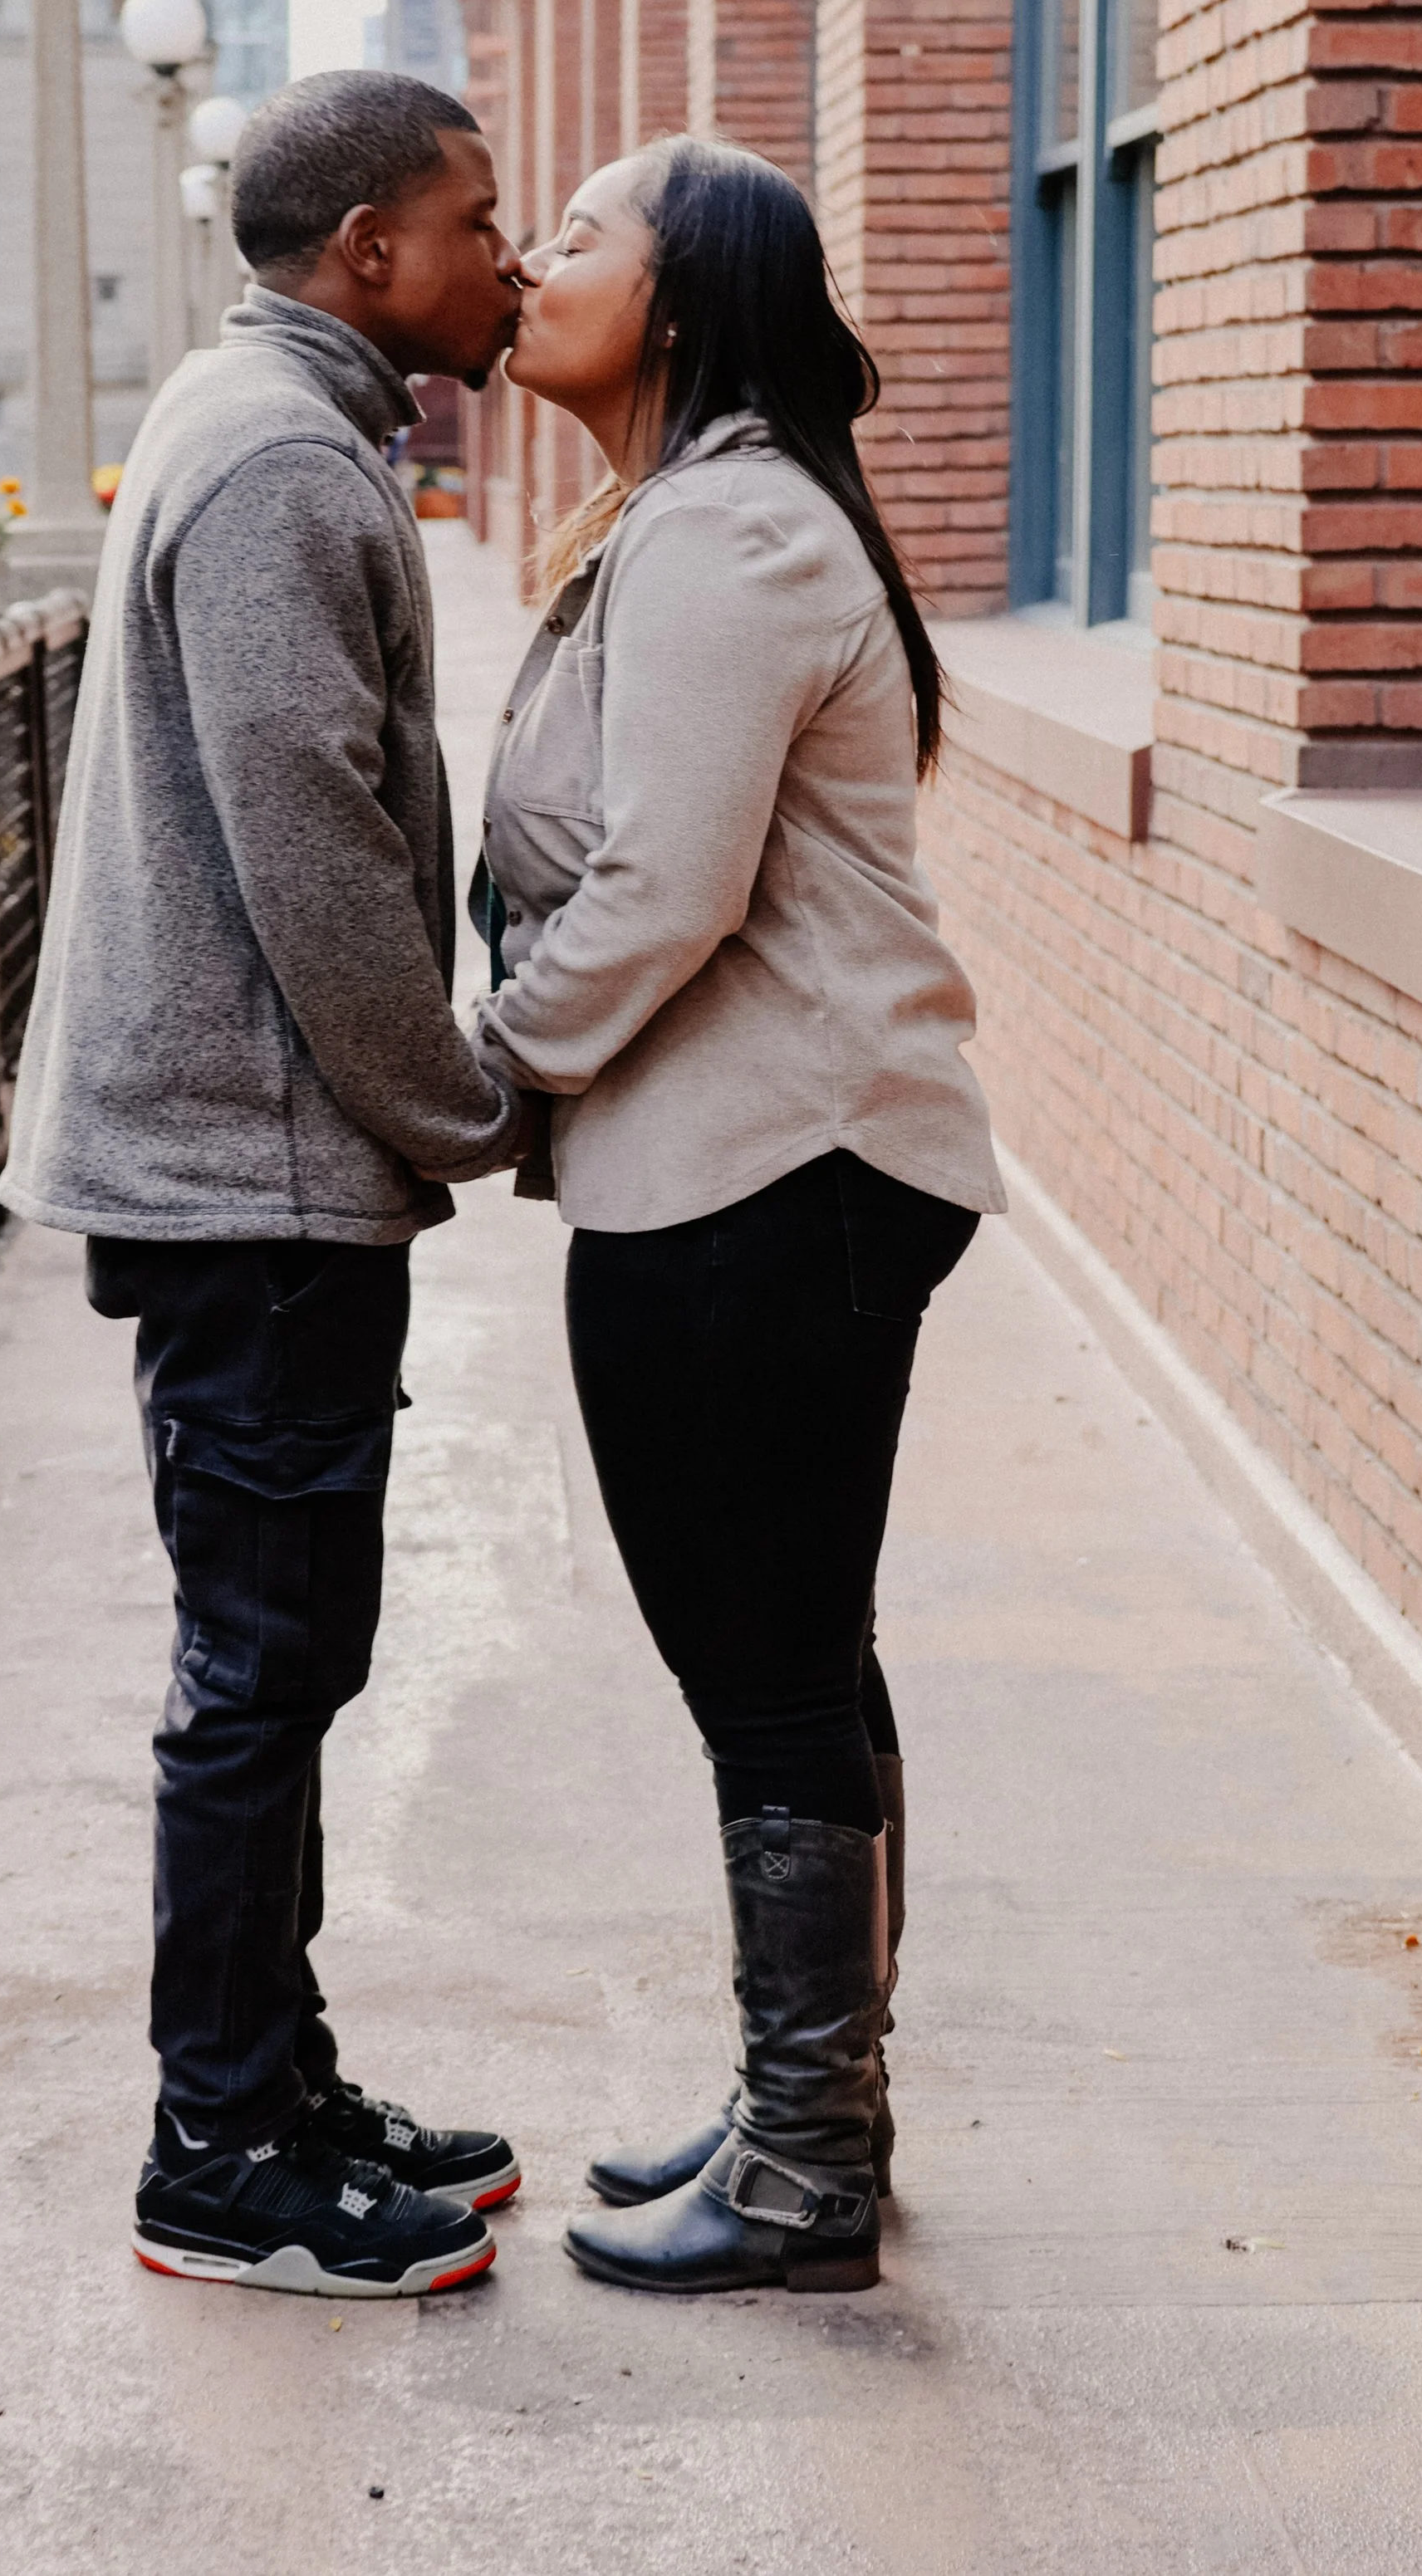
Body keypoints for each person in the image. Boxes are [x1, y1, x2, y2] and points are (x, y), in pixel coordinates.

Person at [0, 71, 533, 2299]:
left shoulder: (262, 421)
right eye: (474, 220)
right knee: (260, 1664)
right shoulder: (285, 458)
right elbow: (313, 841)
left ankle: (274, 2075)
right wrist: (465, 1099)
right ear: (364, 254)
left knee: (285, 1655)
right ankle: (218, 2150)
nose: (505, 261)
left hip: (254, 1162)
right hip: (263, 1176)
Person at [456, 136, 1003, 2294]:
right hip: (765, 1161)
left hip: (771, 1174)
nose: (530, 259)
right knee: (798, 1649)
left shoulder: (724, 537)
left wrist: (473, 1079)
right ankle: (817, 2111)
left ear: (678, 307)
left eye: (575, 233)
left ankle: (802, 2171)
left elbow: (655, 893)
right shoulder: (696, 520)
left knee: (765, 1664)